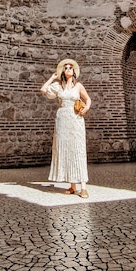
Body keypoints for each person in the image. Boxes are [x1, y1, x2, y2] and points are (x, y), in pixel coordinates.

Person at [40, 58, 91, 198]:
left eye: (70, 67)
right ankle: (72, 186)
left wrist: (86, 107)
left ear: (74, 71)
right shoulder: (58, 86)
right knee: (66, 150)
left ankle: (83, 186)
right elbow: (43, 90)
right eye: (66, 67)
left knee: (78, 150)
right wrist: (52, 78)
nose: (68, 68)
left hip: (76, 120)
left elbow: (88, 99)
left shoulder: (78, 86)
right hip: (62, 120)